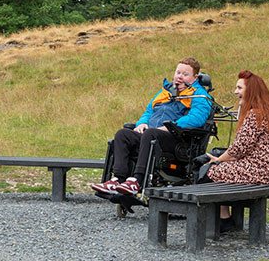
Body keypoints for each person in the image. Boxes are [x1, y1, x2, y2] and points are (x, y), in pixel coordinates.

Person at [91, 57, 212, 197]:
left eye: (185, 74)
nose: (179, 77)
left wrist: (172, 126)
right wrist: (141, 123)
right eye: (178, 72)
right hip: (152, 134)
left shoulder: (200, 95)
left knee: (150, 134)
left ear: (195, 77)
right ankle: (118, 179)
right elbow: (149, 111)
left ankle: (137, 180)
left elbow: (197, 118)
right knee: (123, 134)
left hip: (177, 139)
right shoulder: (166, 91)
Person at [204, 70, 269, 232]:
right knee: (217, 166)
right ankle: (224, 218)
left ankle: (221, 221)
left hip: (260, 173)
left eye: (239, 88)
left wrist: (218, 160)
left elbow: (237, 150)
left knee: (208, 170)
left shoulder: (255, 115)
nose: (236, 92)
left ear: (251, 91)